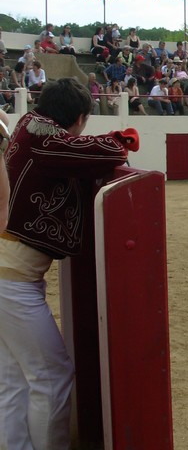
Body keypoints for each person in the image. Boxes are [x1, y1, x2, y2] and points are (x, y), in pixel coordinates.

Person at [0, 78, 137, 450]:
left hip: (9, 276)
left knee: (13, 378)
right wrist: (121, 138)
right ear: (78, 117)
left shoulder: (28, 124)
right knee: (51, 375)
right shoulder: (45, 138)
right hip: (11, 281)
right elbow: (106, 153)